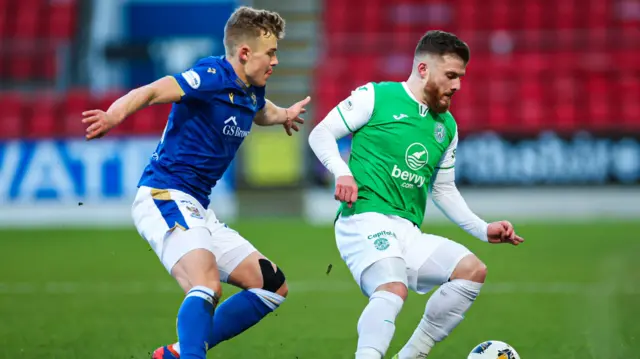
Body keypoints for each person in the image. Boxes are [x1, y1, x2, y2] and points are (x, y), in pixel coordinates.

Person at [82, 6, 310, 359]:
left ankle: (179, 352)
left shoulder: (251, 90)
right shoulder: (211, 75)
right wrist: (114, 114)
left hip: (199, 207)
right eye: (272, 52)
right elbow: (154, 90)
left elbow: (260, 110)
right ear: (245, 53)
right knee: (206, 285)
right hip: (165, 194)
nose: (276, 61)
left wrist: (284, 115)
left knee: (271, 286)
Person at [307, 30, 524, 359]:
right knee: (392, 287)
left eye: (461, 77)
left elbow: (443, 189)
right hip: (364, 218)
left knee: (471, 271)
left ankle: (411, 356)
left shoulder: (446, 127)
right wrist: (343, 172)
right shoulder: (376, 97)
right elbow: (321, 132)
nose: (457, 86)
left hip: (407, 231)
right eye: (451, 75)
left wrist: (483, 228)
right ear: (423, 69)